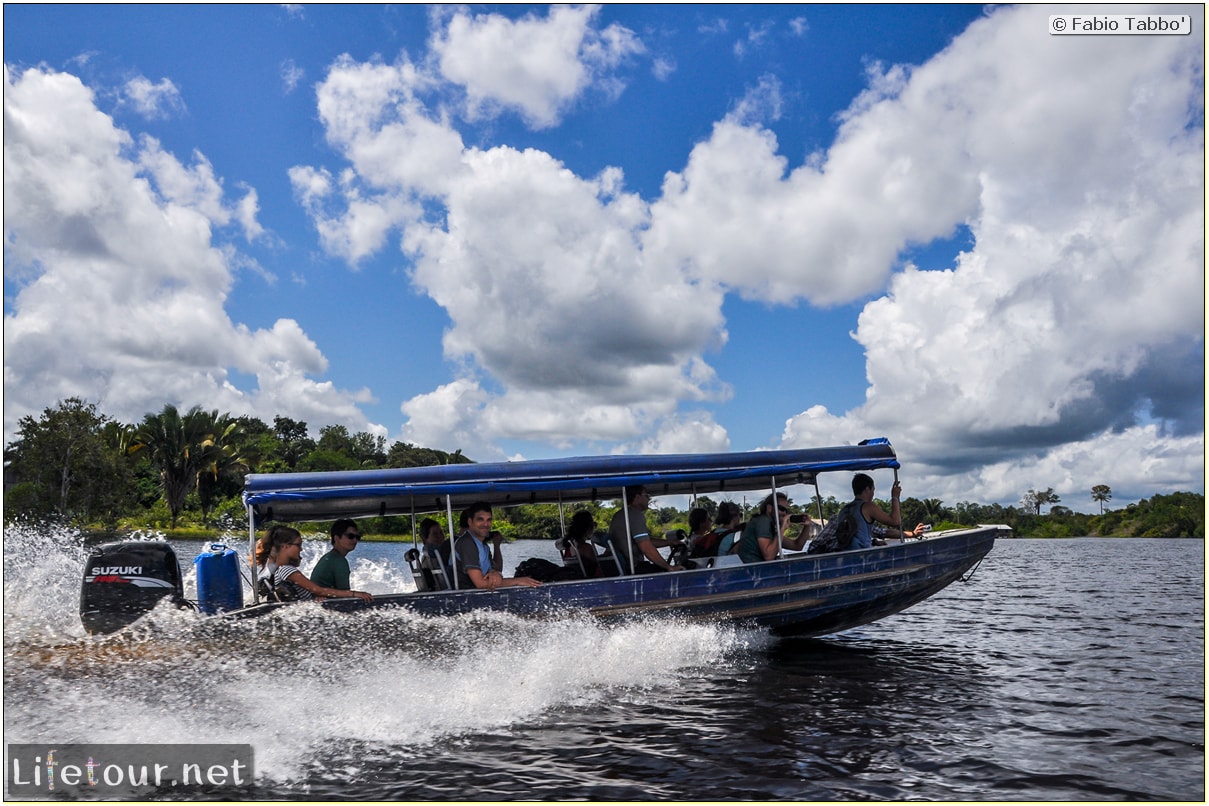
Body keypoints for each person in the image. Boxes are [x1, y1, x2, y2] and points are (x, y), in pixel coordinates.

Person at [256, 524, 373, 602]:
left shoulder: (279, 569)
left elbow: (314, 592)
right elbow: (319, 589)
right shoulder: (286, 570)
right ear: (286, 546)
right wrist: (355, 594)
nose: (301, 549)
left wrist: (315, 597)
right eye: (298, 545)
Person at [453, 502, 542, 590]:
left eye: (489, 520)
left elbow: (496, 571)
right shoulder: (467, 543)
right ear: (470, 522)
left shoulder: (483, 545)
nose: (485, 524)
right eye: (480, 520)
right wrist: (517, 581)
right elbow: (480, 584)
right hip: (468, 595)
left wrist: (494, 573)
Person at [608, 486, 684, 574]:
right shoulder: (634, 515)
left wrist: (670, 542)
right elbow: (646, 547)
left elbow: (646, 540)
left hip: (622, 567)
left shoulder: (620, 514)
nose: (649, 499)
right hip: (632, 568)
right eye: (647, 496)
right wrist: (669, 567)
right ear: (637, 497)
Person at [736, 492, 812, 563]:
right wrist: (782, 529)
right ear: (769, 508)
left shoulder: (770, 528)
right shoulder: (763, 521)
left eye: (786, 510)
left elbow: (797, 546)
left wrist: (807, 526)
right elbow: (769, 556)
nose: (784, 513)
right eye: (781, 509)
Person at [849, 473, 914, 550]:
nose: (873, 494)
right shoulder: (868, 507)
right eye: (873, 489)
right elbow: (896, 521)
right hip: (861, 555)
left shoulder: (845, 510)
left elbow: (882, 532)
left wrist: (874, 542)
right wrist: (895, 496)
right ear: (867, 489)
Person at [310, 518, 361, 590]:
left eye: (358, 537)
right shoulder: (339, 561)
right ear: (337, 538)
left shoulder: (330, 557)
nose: (355, 540)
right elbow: (346, 595)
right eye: (351, 536)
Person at [561, 510, 604, 578]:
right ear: (588, 528)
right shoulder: (586, 548)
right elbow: (599, 566)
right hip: (590, 578)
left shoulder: (569, 546)